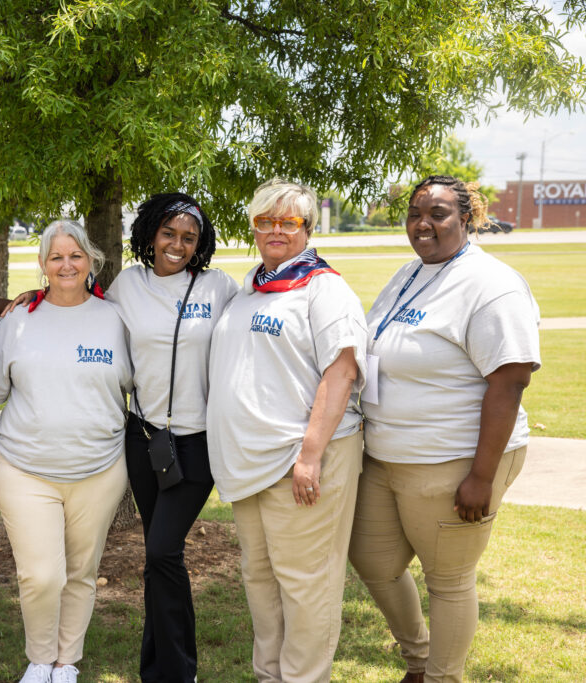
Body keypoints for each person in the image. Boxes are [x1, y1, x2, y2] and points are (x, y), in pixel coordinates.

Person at [349, 175, 540, 683]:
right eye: (415, 213)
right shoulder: (409, 273)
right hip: (387, 453)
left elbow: (510, 379)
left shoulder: (490, 285)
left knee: (448, 580)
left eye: (438, 213)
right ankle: (418, 656)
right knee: (372, 560)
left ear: (468, 218)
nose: (423, 223)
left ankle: (440, 676)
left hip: (453, 458)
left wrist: (482, 476)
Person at [207, 179, 367, 683]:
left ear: (307, 228)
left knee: (304, 583)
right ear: (253, 227)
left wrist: (311, 455)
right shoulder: (251, 286)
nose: (276, 229)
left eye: (289, 221)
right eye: (265, 220)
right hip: (252, 465)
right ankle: (269, 674)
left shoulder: (324, 289)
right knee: (260, 579)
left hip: (300, 461)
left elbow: (340, 372)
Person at [0, 220, 132, 683]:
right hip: (26, 469)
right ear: (43, 265)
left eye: (75, 255)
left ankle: (66, 662)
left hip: (100, 469)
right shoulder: (19, 317)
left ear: (90, 260)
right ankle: (38, 659)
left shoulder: (116, 318)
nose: (66, 264)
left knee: (81, 571)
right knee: (42, 576)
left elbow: (139, 384)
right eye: (56, 256)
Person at [105, 193, 239, 682]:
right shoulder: (128, 285)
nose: (177, 245)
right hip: (143, 439)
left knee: (163, 551)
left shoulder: (218, 287)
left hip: (196, 442)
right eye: (168, 234)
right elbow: (94, 325)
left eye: (189, 237)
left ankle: (180, 672)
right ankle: (156, 670)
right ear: (149, 235)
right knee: (157, 558)